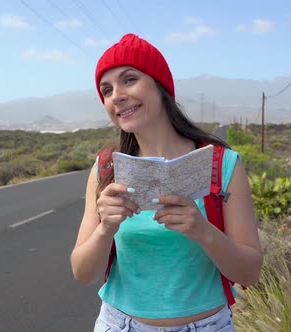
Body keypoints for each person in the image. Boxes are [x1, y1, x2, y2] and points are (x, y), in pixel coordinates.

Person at [70, 33, 263, 332]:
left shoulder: (222, 165)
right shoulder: (106, 167)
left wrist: (203, 231)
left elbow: (250, 273)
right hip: (120, 325)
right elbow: (82, 272)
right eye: (106, 90)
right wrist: (105, 229)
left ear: (160, 86)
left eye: (129, 79)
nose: (116, 95)